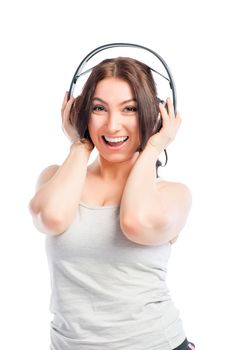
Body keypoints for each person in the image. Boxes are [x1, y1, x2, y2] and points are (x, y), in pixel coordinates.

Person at [29, 57, 195, 350]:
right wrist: (80, 144)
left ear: (154, 115)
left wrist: (154, 145)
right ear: (80, 112)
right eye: (98, 108)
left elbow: (136, 223)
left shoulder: (172, 195)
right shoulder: (55, 177)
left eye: (130, 109)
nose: (112, 124)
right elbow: (52, 218)